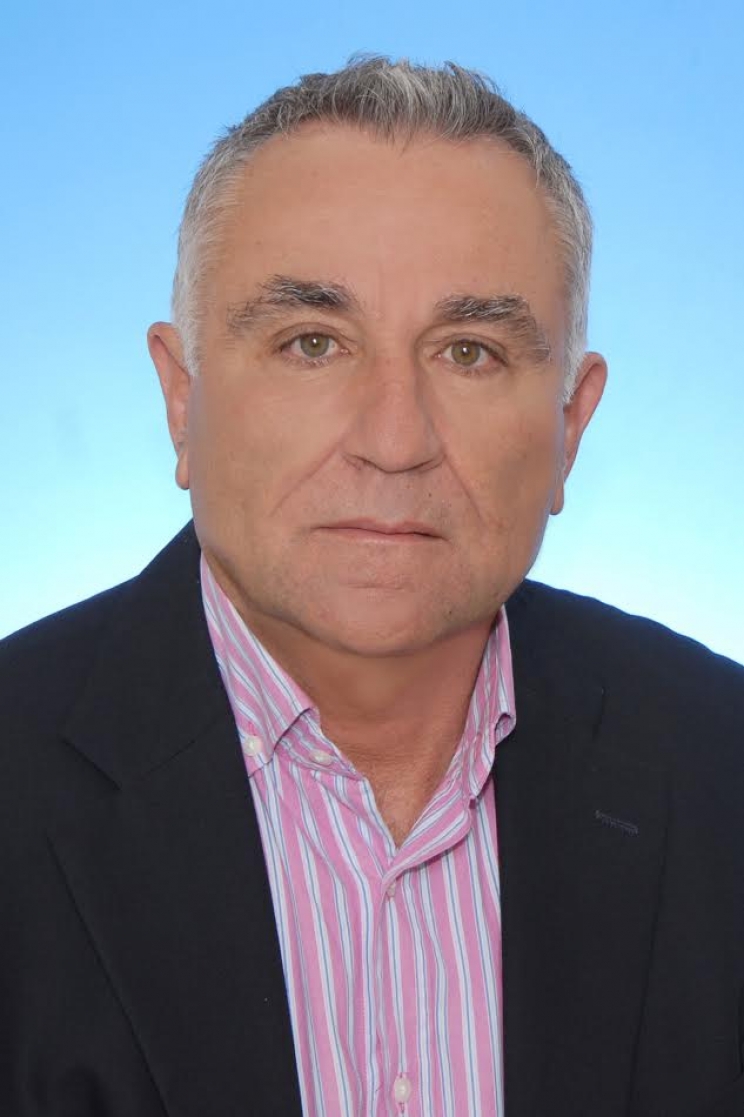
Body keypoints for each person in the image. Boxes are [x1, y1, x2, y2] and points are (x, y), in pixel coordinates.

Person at [2, 56, 743, 1117]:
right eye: (313, 343)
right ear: (181, 399)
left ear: (571, 426)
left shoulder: (722, 768)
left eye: (470, 352)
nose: (394, 440)